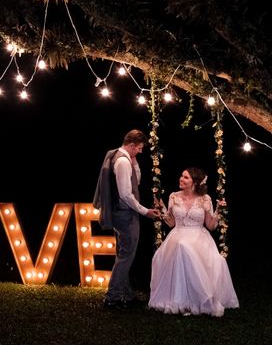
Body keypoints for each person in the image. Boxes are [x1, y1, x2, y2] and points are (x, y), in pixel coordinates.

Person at [149, 168, 239, 316]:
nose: (181, 179)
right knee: (180, 245)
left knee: (185, 246)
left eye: (185, 177)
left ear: (195, 182)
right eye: (181, 176)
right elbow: (171, 223)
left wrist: (218, 211)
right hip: (177, 234)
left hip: (199, 237)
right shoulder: (173, 196)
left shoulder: (205, 199)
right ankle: (180, 299)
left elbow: (210, 226)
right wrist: (162, 207)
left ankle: (201, 296)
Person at [94, 129, 161, 309]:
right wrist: (144, 211)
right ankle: (112, 296)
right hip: (124, 214)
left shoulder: (121, 157)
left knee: (123, 254)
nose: (140, 151)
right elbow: (126, 194)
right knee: (126, 255)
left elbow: (135, 181)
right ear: (131, 145)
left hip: (120, 213)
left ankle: (126, 294)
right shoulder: (122, 161)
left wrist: (135, 163)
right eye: (139, 148)